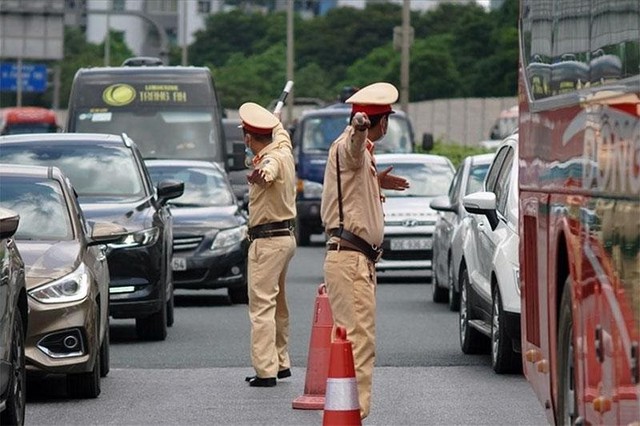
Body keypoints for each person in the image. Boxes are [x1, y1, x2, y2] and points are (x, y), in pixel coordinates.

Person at [320, 82, 409, 418]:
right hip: (351, 260)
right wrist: (359, 127)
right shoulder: (351, 144)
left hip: (354, 260)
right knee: (359, 341)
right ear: (381, 122)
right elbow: (353, 149)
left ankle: (346, 412)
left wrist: (378, 180)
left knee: (349, 339)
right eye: (385, 120)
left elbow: (355, 166)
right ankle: (353, 414)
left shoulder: (363, 157)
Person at [239, 102, 297, 388]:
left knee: (261, 307)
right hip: (285, 238)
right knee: (278, 305)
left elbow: (268, 170)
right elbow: (282, 135)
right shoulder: (283, 149)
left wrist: (262, 174)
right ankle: (281, 361)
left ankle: (265, 370)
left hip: (267, 241)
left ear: (249, 138)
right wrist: (275, 121)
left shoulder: (269, 160)